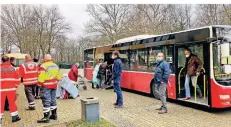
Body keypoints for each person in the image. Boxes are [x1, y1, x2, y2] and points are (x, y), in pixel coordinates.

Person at [37, 54, 61, 123]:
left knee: (46, 101)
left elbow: (41, 78)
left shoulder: (43, 66)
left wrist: (39, 85)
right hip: (54, 85)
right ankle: (54, 115)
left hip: (46, 86)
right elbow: (59, 77)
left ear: (45, 59)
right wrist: (54, 82)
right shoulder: (56, 66)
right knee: (53, 100)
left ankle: (46, 118)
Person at [0, 55, 21, 123]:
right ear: (9, 60)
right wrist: (15, 86)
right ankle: (14, 118)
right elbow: (18, 79)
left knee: (1, 103)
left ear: (2, 60)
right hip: (11, 89)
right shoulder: (14, 68)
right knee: (12, 103)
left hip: (1, 89)